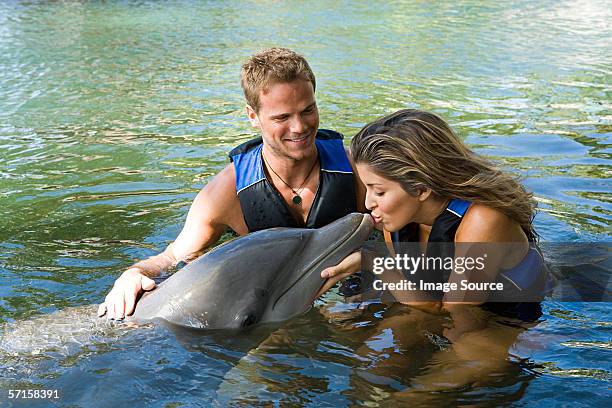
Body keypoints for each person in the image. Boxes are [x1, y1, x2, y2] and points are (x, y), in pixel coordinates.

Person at [98, 48, 366, 320]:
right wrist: (134, 273)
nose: (299, 127)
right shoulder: (226, 193)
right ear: (252, 116)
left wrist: (373, 263)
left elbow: (407, 251)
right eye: (281, 117)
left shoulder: (358, 171)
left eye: (307, 110)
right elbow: (172, 258)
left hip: (355, 297)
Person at [345, 108, 551, 315]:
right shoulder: (396, 219)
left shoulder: (483, 221)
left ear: (421, 189)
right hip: (445, 312)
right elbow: (417, 298)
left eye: (379, 192)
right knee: (365, 343)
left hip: (510, 322)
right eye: (366, 187)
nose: (368, 202)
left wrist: (375, 262)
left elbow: (453, 314)